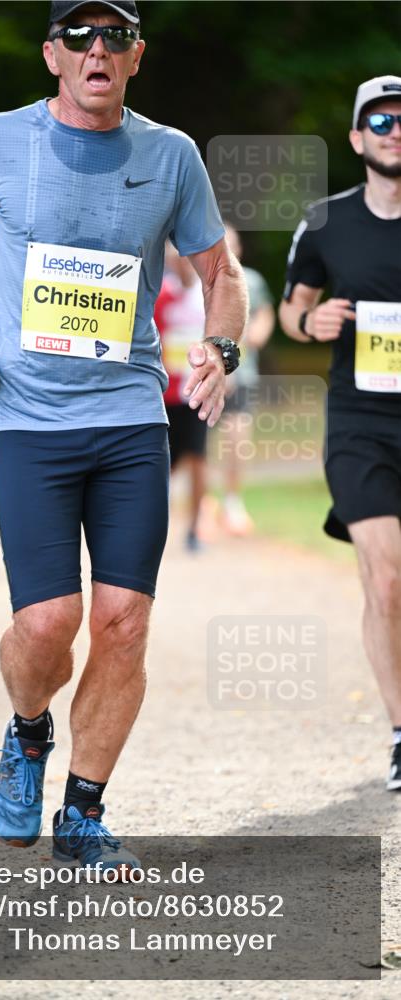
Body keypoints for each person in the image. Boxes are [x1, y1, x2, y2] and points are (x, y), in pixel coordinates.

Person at [0, 0, 247, 872]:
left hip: (131, 415)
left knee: (123, 622)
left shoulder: (171, 154)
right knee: (46, 624)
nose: (97, 49)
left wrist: (219, 346)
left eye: (115, 37)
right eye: (80, 36)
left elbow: (220, 271)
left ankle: (84, 814)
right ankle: (27, 733)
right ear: (52, 55)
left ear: (135, 57)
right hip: (27, 417)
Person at [279, 75, 401, 791]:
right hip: (359, 422)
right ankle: (399, 730)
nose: (393, 129)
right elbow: (292, 313)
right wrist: (312, 321)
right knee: (384, 580)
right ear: (356, 138)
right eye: (378, 120)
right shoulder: (324, 222)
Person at [154, 242, 210, 552]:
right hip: (165, 394)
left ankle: (194, 528)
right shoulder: (160, 295)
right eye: (179, 260)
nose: (185, 264)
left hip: (197, 393)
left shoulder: (207, 297)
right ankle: (154, 525)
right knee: (167, 464)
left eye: (190, 259)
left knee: (199, 460)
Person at [220, 224, 275, 536]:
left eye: (232, 243)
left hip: (243, 374)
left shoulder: (251, 280)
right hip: (198, 379)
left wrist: (260, 332)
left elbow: (266, 311)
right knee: (189, 447)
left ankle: (232, 501)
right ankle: (190, 503)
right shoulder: (200, 278)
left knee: (237, 439)